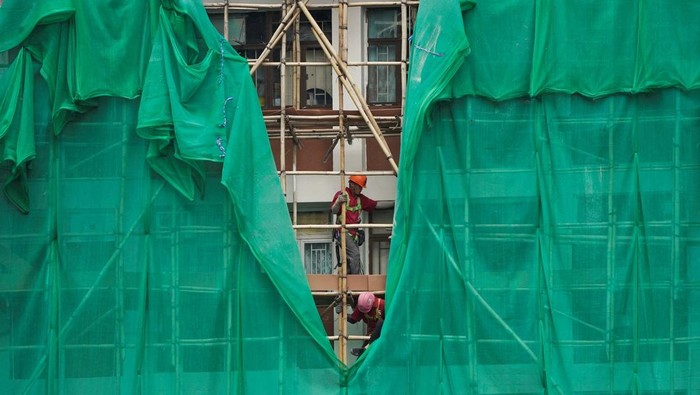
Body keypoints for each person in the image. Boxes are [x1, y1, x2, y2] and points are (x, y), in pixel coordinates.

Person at [330, 175, 392, 274]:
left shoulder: (360, 199)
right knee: (355, 255)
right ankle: (356, 282)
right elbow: (333, 211)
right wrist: (338, 201)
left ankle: (348, 283)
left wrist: (396, 203)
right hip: (342, 232)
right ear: (352, 185)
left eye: (362, 187)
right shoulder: (342, 195)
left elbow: (377, 205)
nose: (361, 189)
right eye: (359, 186)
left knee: (351, 260)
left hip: (353, 235)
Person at [348, 292, 385, 357]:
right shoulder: (362, 306)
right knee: (362, 357)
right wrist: (342, 313)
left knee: (381, 322)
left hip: (383, 333)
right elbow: (353, 319)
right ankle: (365, 349)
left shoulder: (382, 305)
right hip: (371, 335)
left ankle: (366, 348)